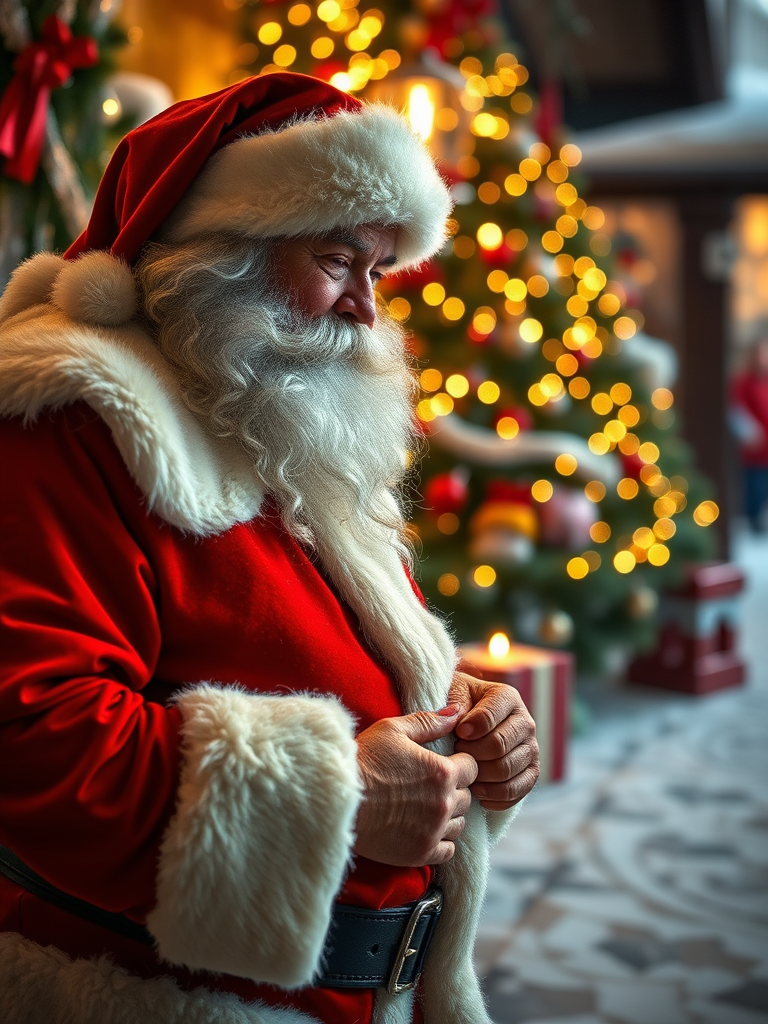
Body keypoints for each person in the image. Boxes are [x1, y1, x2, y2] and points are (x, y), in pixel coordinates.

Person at [0, 73, 539, 1024]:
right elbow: (33, 738)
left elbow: (326, 655)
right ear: (217, 253)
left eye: (378, 270)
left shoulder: (277, 410)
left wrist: (464, 716)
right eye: (337, 259)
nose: (367, 311)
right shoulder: (75, 418)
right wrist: (339, 794)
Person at [730, 335, 768, 532]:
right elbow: (736, 411)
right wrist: (749, 433)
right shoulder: (743, 382)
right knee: (755, 491)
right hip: (755, 451)